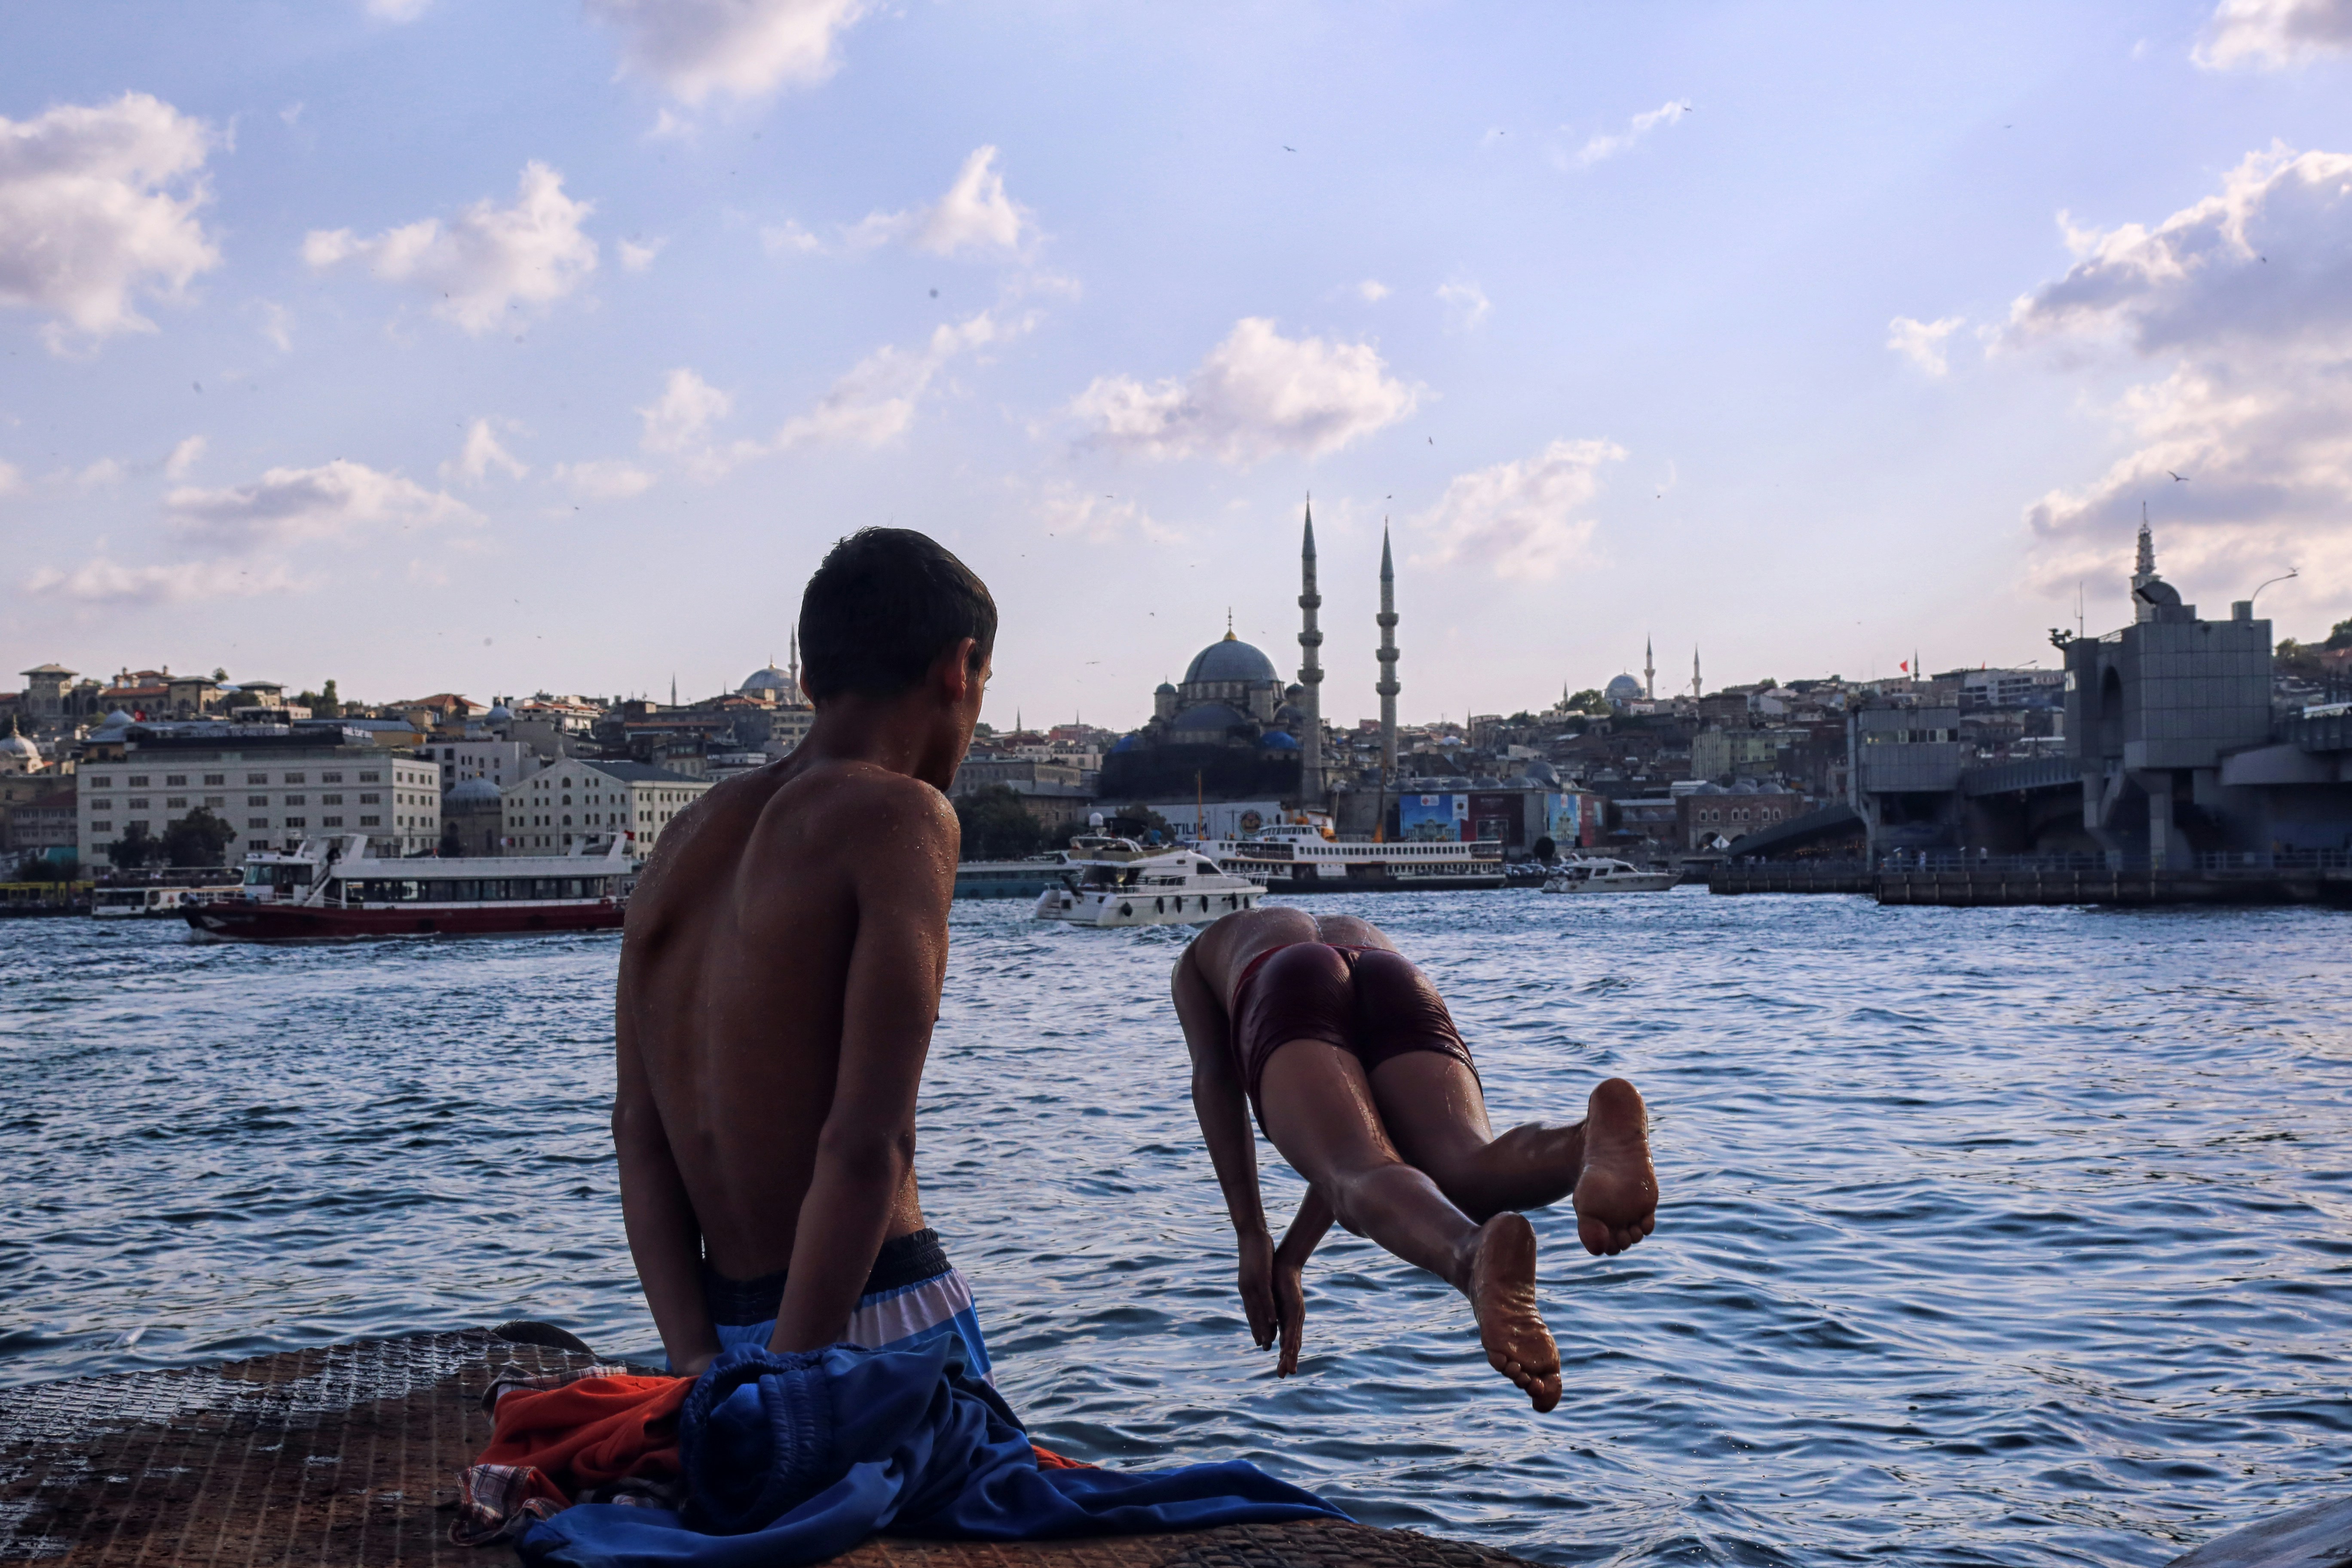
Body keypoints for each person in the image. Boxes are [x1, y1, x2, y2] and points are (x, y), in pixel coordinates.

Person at [613, 528, 995, 1379]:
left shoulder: (682, 841)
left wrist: (697, 1371)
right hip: (870, 1326)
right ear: (958, 668)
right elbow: (868, 1140)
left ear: (811, 674)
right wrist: (790, 1384)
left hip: (717, 1336)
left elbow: (639, 1134)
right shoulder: (902, 817)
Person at [1171, 907, 1657, 1412]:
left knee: (1356, 1173)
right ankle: (1580, 1143)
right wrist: (1290, 1258)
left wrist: (1251, 1233)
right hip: (1394, 976)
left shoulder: (1196, 961)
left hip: (1282, 980)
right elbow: (1359, 1125)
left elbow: (1215, 1081)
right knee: (1463, 1169)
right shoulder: (1336, 924)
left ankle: (1471, 1257)